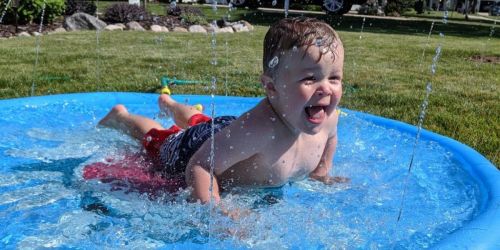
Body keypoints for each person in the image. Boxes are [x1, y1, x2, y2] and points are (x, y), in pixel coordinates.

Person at [98, 17, 346, 212]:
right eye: (310, 78)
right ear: (272, 88)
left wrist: (321, 173)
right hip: (197, 147)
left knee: (201, 121)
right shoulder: (260, 130)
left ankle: (172, 104)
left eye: (334, 77)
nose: (326, 88)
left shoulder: (328, 118)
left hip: (226, 133)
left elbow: (330, 137)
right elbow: (200, 165)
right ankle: (121, 117)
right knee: (161, 139)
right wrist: (216, 212)